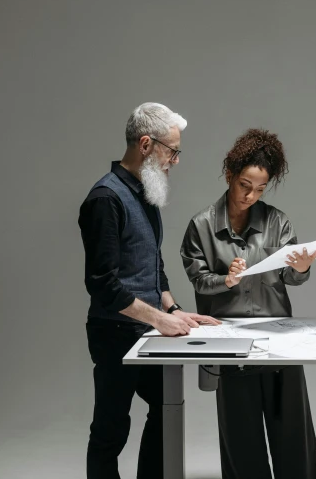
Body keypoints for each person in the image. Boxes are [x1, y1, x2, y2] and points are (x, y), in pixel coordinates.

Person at [79, 102, 221, 479]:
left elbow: (150, 264)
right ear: (146, 144)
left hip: (145, 331)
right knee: (110, 430)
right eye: (172, 151)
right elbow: (103, 285)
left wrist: (173, 311)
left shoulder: (145, 192)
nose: (176, 160)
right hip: (114, 333)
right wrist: (160, 319)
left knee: (167, 408)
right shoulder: (104, 199)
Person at [180, 128, 316, 479]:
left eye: (260, 188)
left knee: (294, 438)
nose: (251, 195)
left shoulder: (277, 221)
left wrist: (301, 269)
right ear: (229, 174)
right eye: (245, 185)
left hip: (279, 340)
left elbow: (291, 278)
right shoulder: (201, 226)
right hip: (230, 343)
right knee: (242, 446)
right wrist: (225, 280)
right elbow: (198, 278)